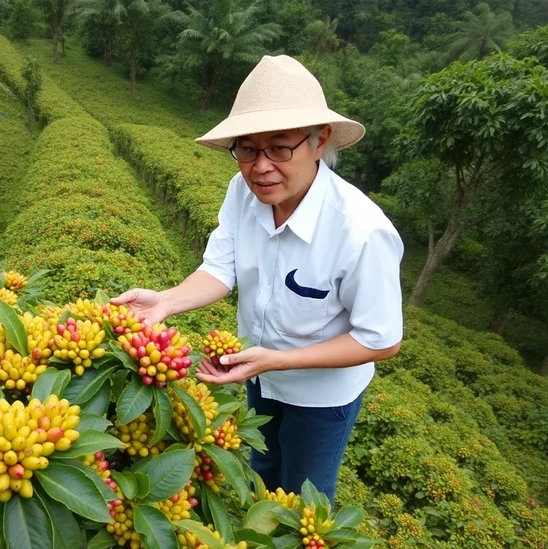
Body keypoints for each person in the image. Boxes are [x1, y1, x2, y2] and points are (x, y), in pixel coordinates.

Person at [111, 54, 404, 505]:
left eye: (280, 147)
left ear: (320, 140)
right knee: (263, 476)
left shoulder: (361, 232)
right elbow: (220, 268)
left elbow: (380, 339)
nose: (261, 167)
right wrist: (166, 302)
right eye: (247, 149)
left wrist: (278, 360)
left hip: (322, 397)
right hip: (258, 376)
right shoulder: (241, 194)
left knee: (305, 498)